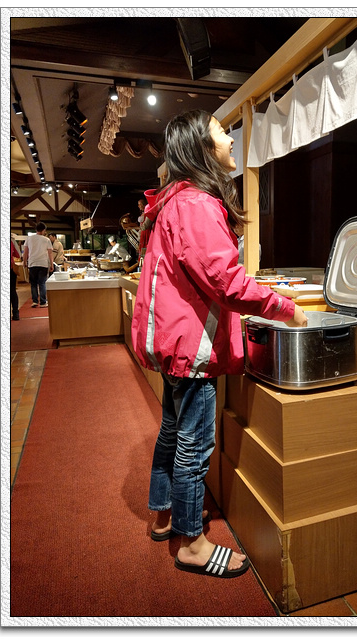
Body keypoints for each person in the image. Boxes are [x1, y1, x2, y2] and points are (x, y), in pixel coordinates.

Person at [131, 109, 307, 579]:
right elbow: (226, 282)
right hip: (192, 346)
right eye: (222, 132)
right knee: (194, 444)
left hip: (173, 341)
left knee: (172, 432)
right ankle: (192, 543)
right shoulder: (196, 203)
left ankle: (166, 516)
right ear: (202, 147)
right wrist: (284, 307)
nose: (230, 139)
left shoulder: (174, 200)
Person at [23, 222, 54, 307]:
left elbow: (25, 252)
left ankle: (35, 301)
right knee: (42, 283)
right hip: (43, 263)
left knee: (33, 284)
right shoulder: (46, 240)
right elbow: (50, 253)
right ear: (43, 230)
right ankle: (43, 302)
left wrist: (24, 262)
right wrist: (51, 264)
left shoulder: (29, 238)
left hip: (32, 263)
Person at [10, 234, 21, 320]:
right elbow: (18, 254)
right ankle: (16, 313)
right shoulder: (11, 240)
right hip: (10, 268)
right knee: (12, 290)